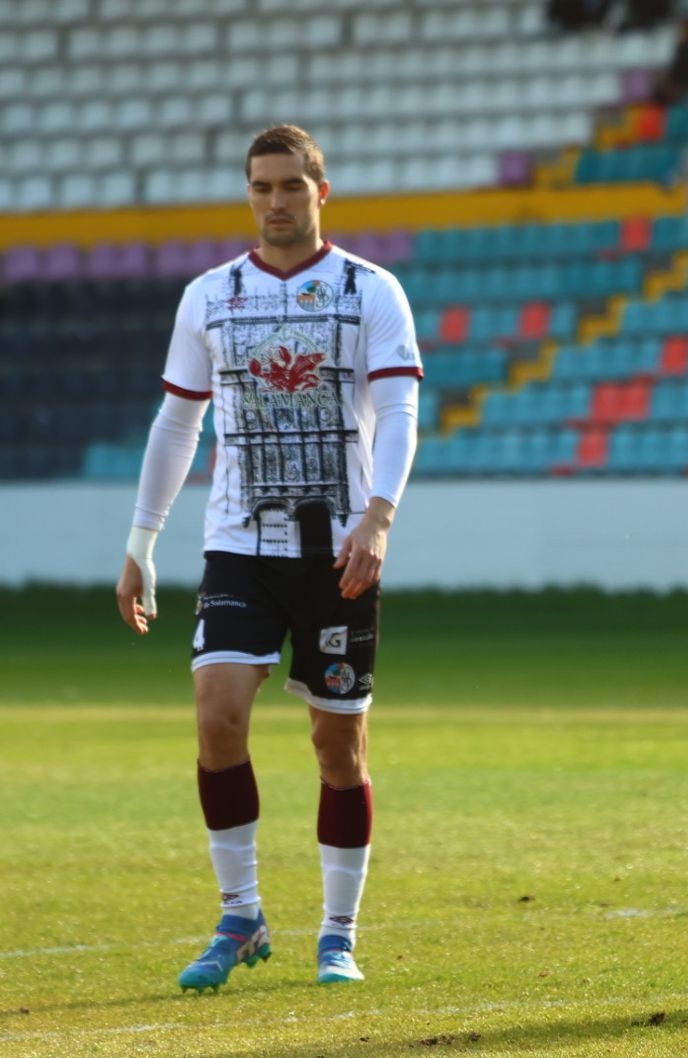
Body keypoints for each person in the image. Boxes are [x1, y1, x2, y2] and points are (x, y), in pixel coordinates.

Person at [115, 125, 422, 989]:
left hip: (337, 550)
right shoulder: (209, 296)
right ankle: (241, 914)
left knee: (338, 747)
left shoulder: (372, 291)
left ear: (322, 190)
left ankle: (337, 930)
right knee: (216, 718)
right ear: (249, 195)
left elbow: (399, 413)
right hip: (238, 542)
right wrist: (142, 540)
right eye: (262, 187)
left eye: (291, 185)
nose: (276, 201)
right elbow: (179, 421)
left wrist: (379, 515)